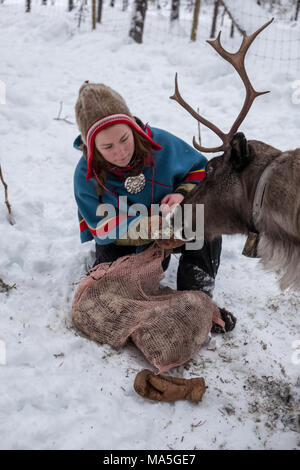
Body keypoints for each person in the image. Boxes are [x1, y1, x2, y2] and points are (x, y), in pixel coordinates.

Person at [73, 82, 222, 297]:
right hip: (123, 240)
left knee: (204, 223)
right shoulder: (85, 175)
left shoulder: (161, 143)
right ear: (92, 146)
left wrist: (182, 194)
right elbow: (102, 227)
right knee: (114, 292)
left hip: (172, 225)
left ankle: (196, 295)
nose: (121, 152)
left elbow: (201, 172)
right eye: (107, 147)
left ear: (134, 127)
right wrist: (148, 227)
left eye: (125, 139)